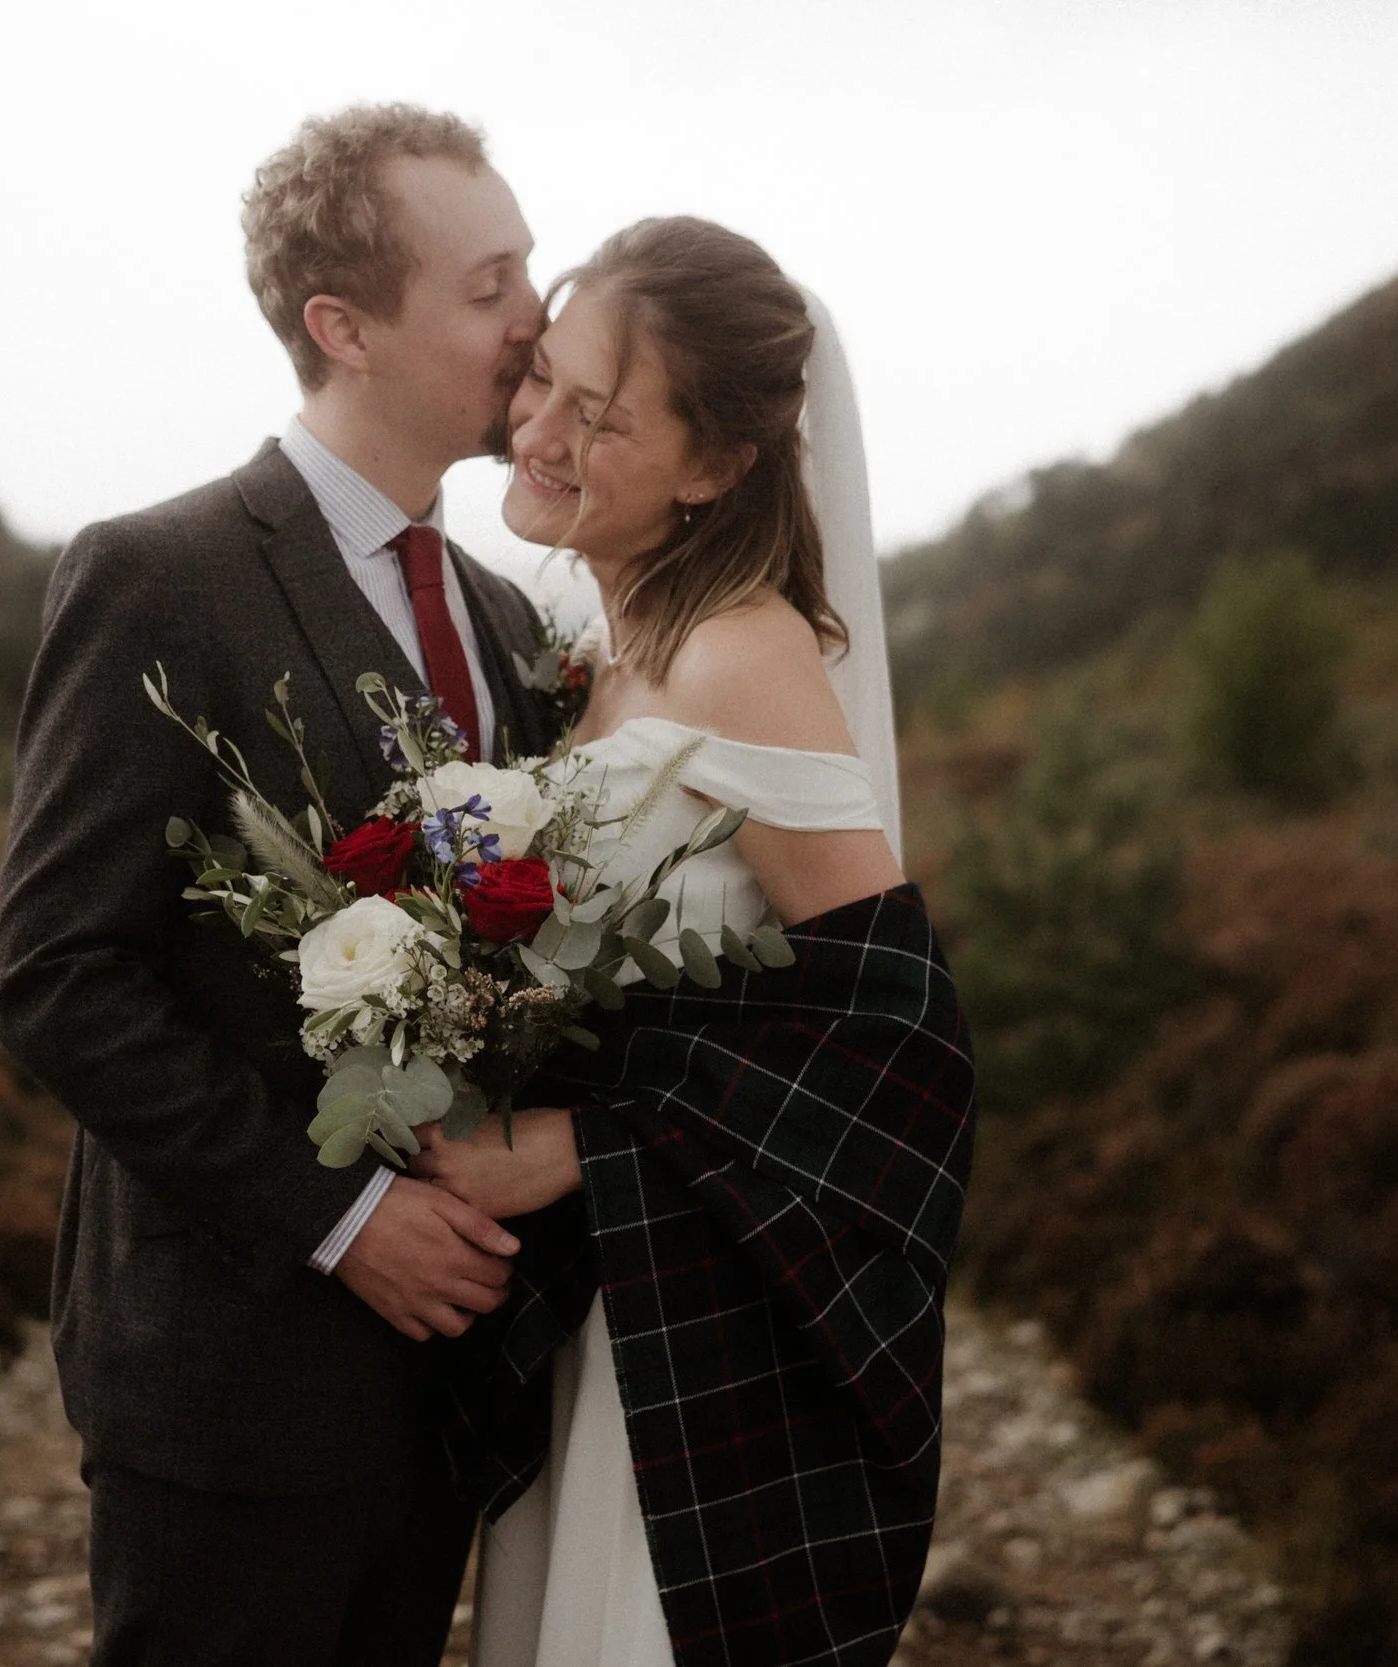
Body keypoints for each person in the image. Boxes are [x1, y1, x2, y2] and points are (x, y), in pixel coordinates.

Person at [0, 105, 563, 1667]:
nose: (538, 320)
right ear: (344, 326)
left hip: (452, 1382)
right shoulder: (159, 575)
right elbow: (57, 975)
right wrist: (336, 1214)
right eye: (491, 282)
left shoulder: (517, 624)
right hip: (230, 1378)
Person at [410, 219, 977, 1667]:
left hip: (705, 1314)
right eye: (540, 380)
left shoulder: (741, 655)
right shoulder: (576, 634)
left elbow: (894, 1042)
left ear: (718, 465)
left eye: (597, 416)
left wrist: (583, 1147)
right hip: (604, 1302)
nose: (534, 429)